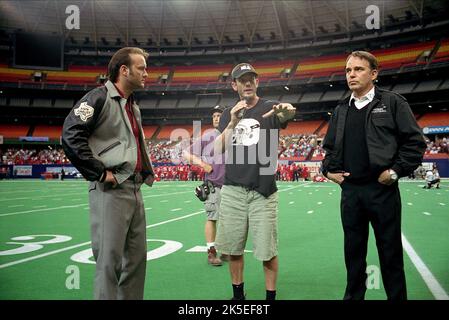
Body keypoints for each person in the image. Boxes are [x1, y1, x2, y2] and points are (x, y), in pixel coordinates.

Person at [322, 51, 426, 300]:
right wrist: (328, 171)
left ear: (374, 73)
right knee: (353, 254)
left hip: (382, 191)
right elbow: (329, 148)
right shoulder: (340, 108)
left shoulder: (392, 102)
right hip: (351, 192)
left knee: (390, 253)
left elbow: (414, 143)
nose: (351, 75)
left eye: (358, 69)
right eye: (348, 70)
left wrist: (395, 171)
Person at [62, 47, 154, 300]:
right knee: (108, 263)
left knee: (136, 263)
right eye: (141, 68)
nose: (147, 73)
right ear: (124, 70)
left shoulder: (132, 105)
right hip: (110, 190)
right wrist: (99, 173)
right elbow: (70, 134)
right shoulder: (97, 98)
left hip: (134, 189)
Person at [214, 63, 296, 300]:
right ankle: (238, 296)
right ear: (235, 85)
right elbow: (219, 148)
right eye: (242, 80)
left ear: (257, 82)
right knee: (233, 248)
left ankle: (271, 298)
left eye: (251, 79)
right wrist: (231, 122)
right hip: (233, 190)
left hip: (263, 191)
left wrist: (287, 111)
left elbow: (286, 113)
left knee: (267, 250)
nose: (247, 83)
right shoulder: (230, 113)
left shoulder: (270, 108)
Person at [182, 105, 227, 266]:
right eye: (214, 115)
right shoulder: (209, 135)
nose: (216, 118)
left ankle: (225, 249)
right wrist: (202, 164)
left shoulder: (232, 135)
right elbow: (186, 153)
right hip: (214, 184)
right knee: (212, 218)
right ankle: (211, 251)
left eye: (219, 115)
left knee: (229, 219)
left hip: (231, 186)